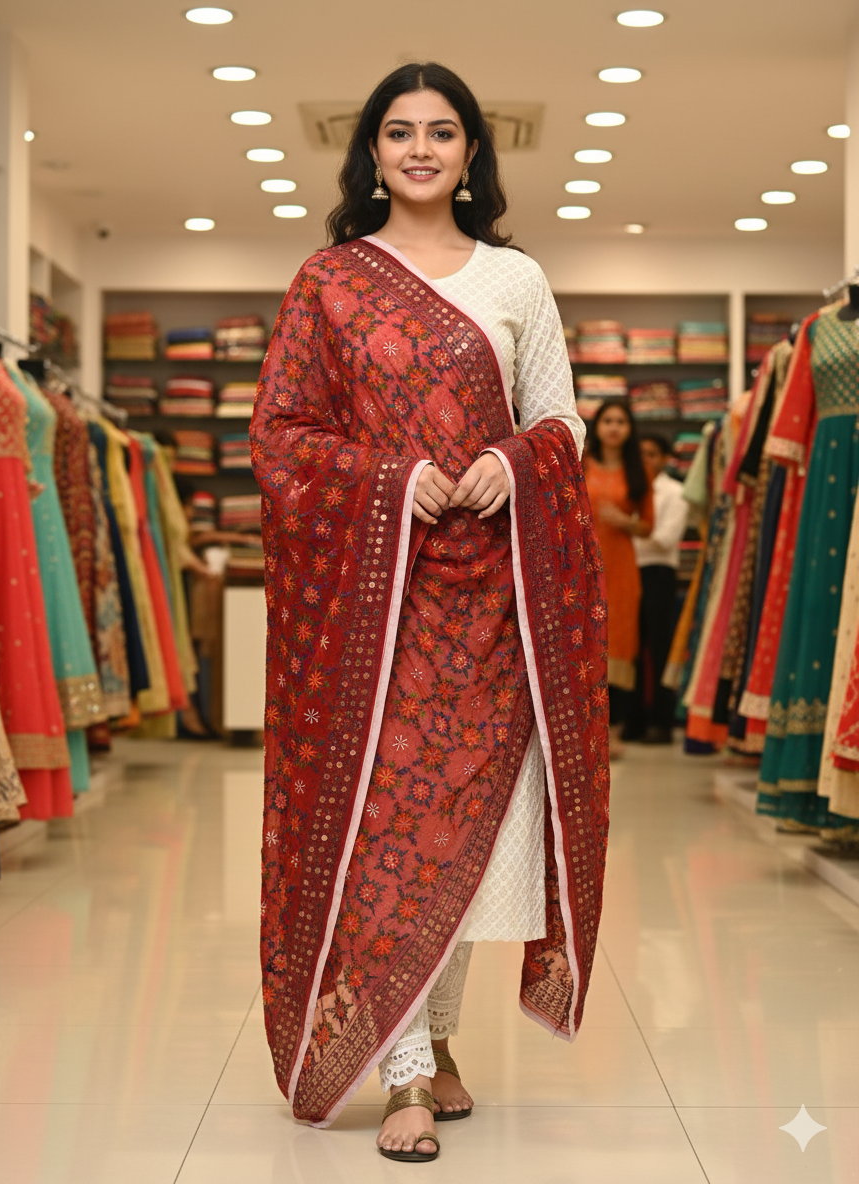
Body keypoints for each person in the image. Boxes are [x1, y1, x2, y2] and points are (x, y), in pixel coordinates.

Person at [249, 62, 610, 1163]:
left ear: (469, 154)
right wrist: (396, 478)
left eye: (440, 132)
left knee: (465, 830)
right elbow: (281, 434)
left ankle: (437, 1038)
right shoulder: (330, 281)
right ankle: (401, 1069)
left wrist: (514, 457)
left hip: (496, 601)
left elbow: (565, 422)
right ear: (370, 153)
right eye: (397, 132)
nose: (418, 149)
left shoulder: (517, 279)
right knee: (385, 829)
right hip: (381, 603)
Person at [583, 401, 654, 758]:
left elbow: (647, 526)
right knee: (585, 639)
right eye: (608, 420)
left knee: (620, 642)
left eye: (621, 421)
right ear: (597, 427)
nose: (613, 427)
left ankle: (611, 732)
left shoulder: (638, 471)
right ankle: (586, 731)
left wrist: (623, 521)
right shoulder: (581, 464)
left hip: (623, 569)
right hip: (583, 566)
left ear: (629, 428)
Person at [625, 434, 688, 744]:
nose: (646, 459)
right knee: (630, 648)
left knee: (661, 649)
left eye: (652, 453)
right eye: (641, 453)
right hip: (628, 572)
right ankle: (633, 722)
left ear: (665, 458)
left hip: (659, 574)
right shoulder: (630, 490)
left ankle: (663, 723)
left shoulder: (676, 492)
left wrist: (627, 528)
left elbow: (665, 539)